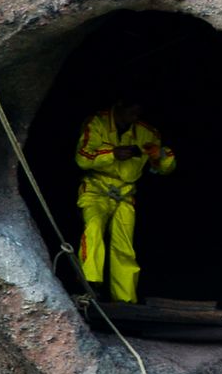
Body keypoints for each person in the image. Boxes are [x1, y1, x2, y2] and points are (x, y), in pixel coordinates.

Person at [74, 101, 176, 304]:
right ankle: (89, 287)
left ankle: (125, 300)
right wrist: (112, 153)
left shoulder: (147, 133)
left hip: (125, 195)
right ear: (119, 106)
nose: (135, 115)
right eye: (132, 109)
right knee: (93, 229)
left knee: (124, 246)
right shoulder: (97, 122)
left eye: (139, 110)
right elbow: (82, 159)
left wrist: (161, 156)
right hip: (96, 190)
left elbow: (165, 169)